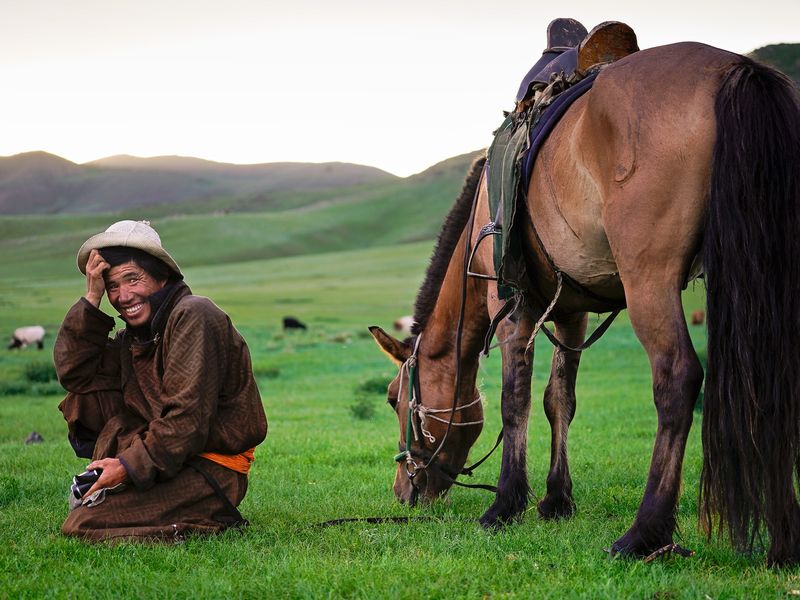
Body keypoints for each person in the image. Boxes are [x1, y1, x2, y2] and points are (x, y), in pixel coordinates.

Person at [54, 220, 268, 541]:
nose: (124, 296)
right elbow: (77, 376)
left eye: (133, 279)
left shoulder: (194, 315)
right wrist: (91, 298)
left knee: (83, 525)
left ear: (161, 277)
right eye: (113, 285)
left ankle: (212, 519)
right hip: (173, 461)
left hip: (210, 469)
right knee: (83, 402)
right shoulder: (133, 339)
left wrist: (126, 467)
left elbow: (188, 420)